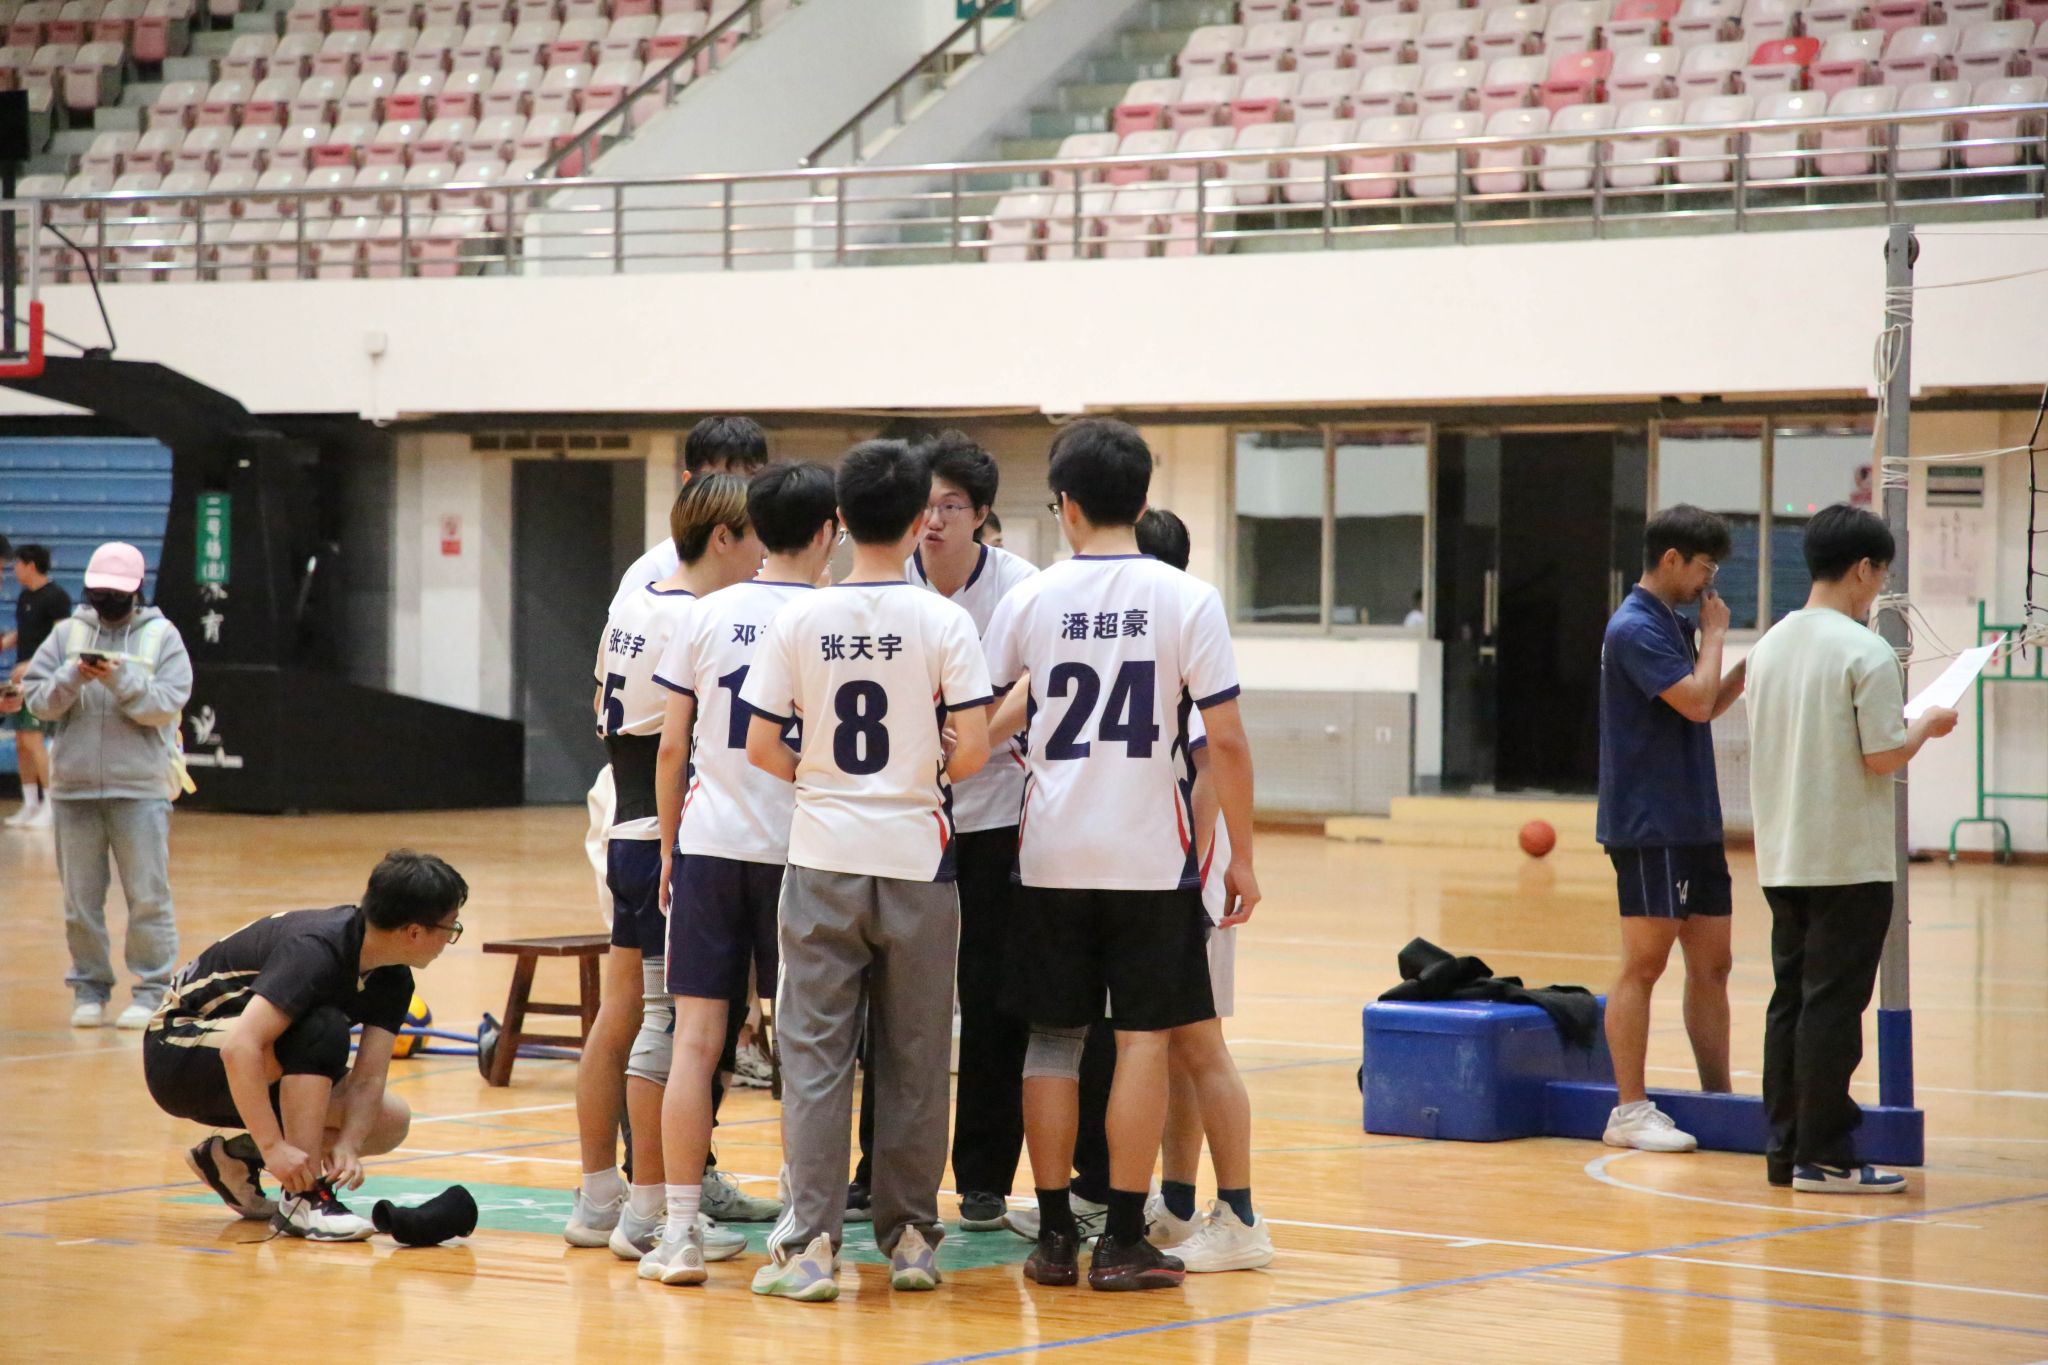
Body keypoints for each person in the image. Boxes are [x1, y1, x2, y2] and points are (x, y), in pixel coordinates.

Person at [982, 419, 1260, 1293]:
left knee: (1051, 1041)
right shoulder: (1189, 599)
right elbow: (1226, 743)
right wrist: (1242, 858)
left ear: (1064, 503)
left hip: (1050, 853)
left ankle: (1054, 1234)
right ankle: (1126, 1238)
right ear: (1143, 500)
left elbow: (990, 715)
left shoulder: (1029, 598)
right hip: (1149, 856)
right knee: (1141, 1040)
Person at [738, 439, 992, 1303]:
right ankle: (912, 1239)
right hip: (918, 860)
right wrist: (920, 772)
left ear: (840, 518)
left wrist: (824, 781)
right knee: (916, 1056)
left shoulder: (798, 619)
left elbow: (761, 745)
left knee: (815, 1059)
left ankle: (811, 1246)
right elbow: (976, 750)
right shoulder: (946, 621)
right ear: (923, 518)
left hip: (822, 858)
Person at [637, 460, 840, 1288]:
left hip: (711, 846)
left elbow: (671, 746)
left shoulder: (706, 612)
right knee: (804, 1049)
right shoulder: (831, 616)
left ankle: (680, 1232)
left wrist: (668, 847)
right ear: (828, 531)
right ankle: (799, 1223)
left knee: (694, 1041)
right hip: (803, 851)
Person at [563, 475, 769, 1261]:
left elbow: (599, 705)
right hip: (663, 833)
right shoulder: (697, 618)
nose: (762, 557)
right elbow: (683, 741)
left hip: (623, 822)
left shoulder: (634, 600)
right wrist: (677, 843)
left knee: (621, 1013)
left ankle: (599, 1196)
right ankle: (650, 1208)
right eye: (756, 540)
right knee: (669, 1022)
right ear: (724, 537)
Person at [1747, 503, 1956, 1195]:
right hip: (1847, 858)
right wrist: (1926, 725)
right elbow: (1881, 755)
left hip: (1783, 853)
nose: (1880, 587)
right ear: (1864, 569)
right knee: (1833, 1007)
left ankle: (1786, 1149)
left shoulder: (1769, 645)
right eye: (1882, 574)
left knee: (1791, 1002)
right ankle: (1826, 1154)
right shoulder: (1866, 651)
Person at [142, 850, 467, 1240]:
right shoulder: (316, 949)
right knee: (320, 1029)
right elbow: (240, 1048)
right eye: (450, 927)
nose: (450, 938)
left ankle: (231, 1159)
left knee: (388, 1121)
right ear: (414, 932)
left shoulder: (393, 977)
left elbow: (369, 1078)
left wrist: (349, 1144)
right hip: (178, 1053)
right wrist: (273, 1147)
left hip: (251, 1059)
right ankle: (303, 1199)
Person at [902, 431, 1039, 1233]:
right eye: (925, 506)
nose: (934, 521)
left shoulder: (1020, 588)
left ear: (982, 514)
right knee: (900, 1001)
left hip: (994, 818)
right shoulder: (891, 581)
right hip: (907, 819)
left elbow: (1033, 684)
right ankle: (878, 1171)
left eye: (950, 506)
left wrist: (976, 735)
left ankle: (984, 1178)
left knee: (991, 999)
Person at [1132, 508, 1272, 1273]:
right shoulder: (1166, 640)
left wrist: (1201, 870)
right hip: (1176, 873)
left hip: (1189, 880)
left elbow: (1213, 768)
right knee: (1181, 1049)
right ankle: (1180, 1202)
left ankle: (1242, 1214)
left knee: (1201, 1045)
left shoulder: (1180, 651)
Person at [1596, 505, 1746, 1155]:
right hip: (1650, 823)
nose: (1709, 581)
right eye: (1705, 566)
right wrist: (1716, 638)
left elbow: (1705, 702)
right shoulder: (1634, 627)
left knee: (1713, 964)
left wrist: (1752, 666)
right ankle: (1629, 1110)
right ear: (1671, 559)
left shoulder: (1673, 624)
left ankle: (1719, 1098)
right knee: (1645, 963)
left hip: (1694, 819)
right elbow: (1695, 700)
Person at [586, 417, 772, 920]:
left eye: (752, 481)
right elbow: (672, 735)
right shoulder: (676, 594)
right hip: (661, 808)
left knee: (635, 963)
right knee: (676, 966)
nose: (744, 495)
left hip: (640, 810)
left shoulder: (650, 599)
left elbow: (601, 695)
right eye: (728, 480)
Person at [15, 542, 191, 1029]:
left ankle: (152, 989)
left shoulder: (162, 637)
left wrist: (119, 680)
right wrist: (73, 676)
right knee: (80, 903)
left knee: (147, 897)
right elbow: (40, 702)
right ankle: (89, 989)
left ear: (136, 590)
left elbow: (165, 704)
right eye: (99, 592)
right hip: (74, 791)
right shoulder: (67, 634)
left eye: (116, 593)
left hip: (140, 790)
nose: (106, 601)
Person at [4, 543, 72, 829]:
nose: (13, 570)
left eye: (17, 564)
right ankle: (31, 803)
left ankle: (51, 805)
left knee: (34, 739)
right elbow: (26, 631)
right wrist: (6, 642)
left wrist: (32, 665)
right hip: (20, 680)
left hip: (42, 678)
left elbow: (62, 640)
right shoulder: (24, 597)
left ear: (30, 565)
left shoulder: (57, 597)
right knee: (21, 741)